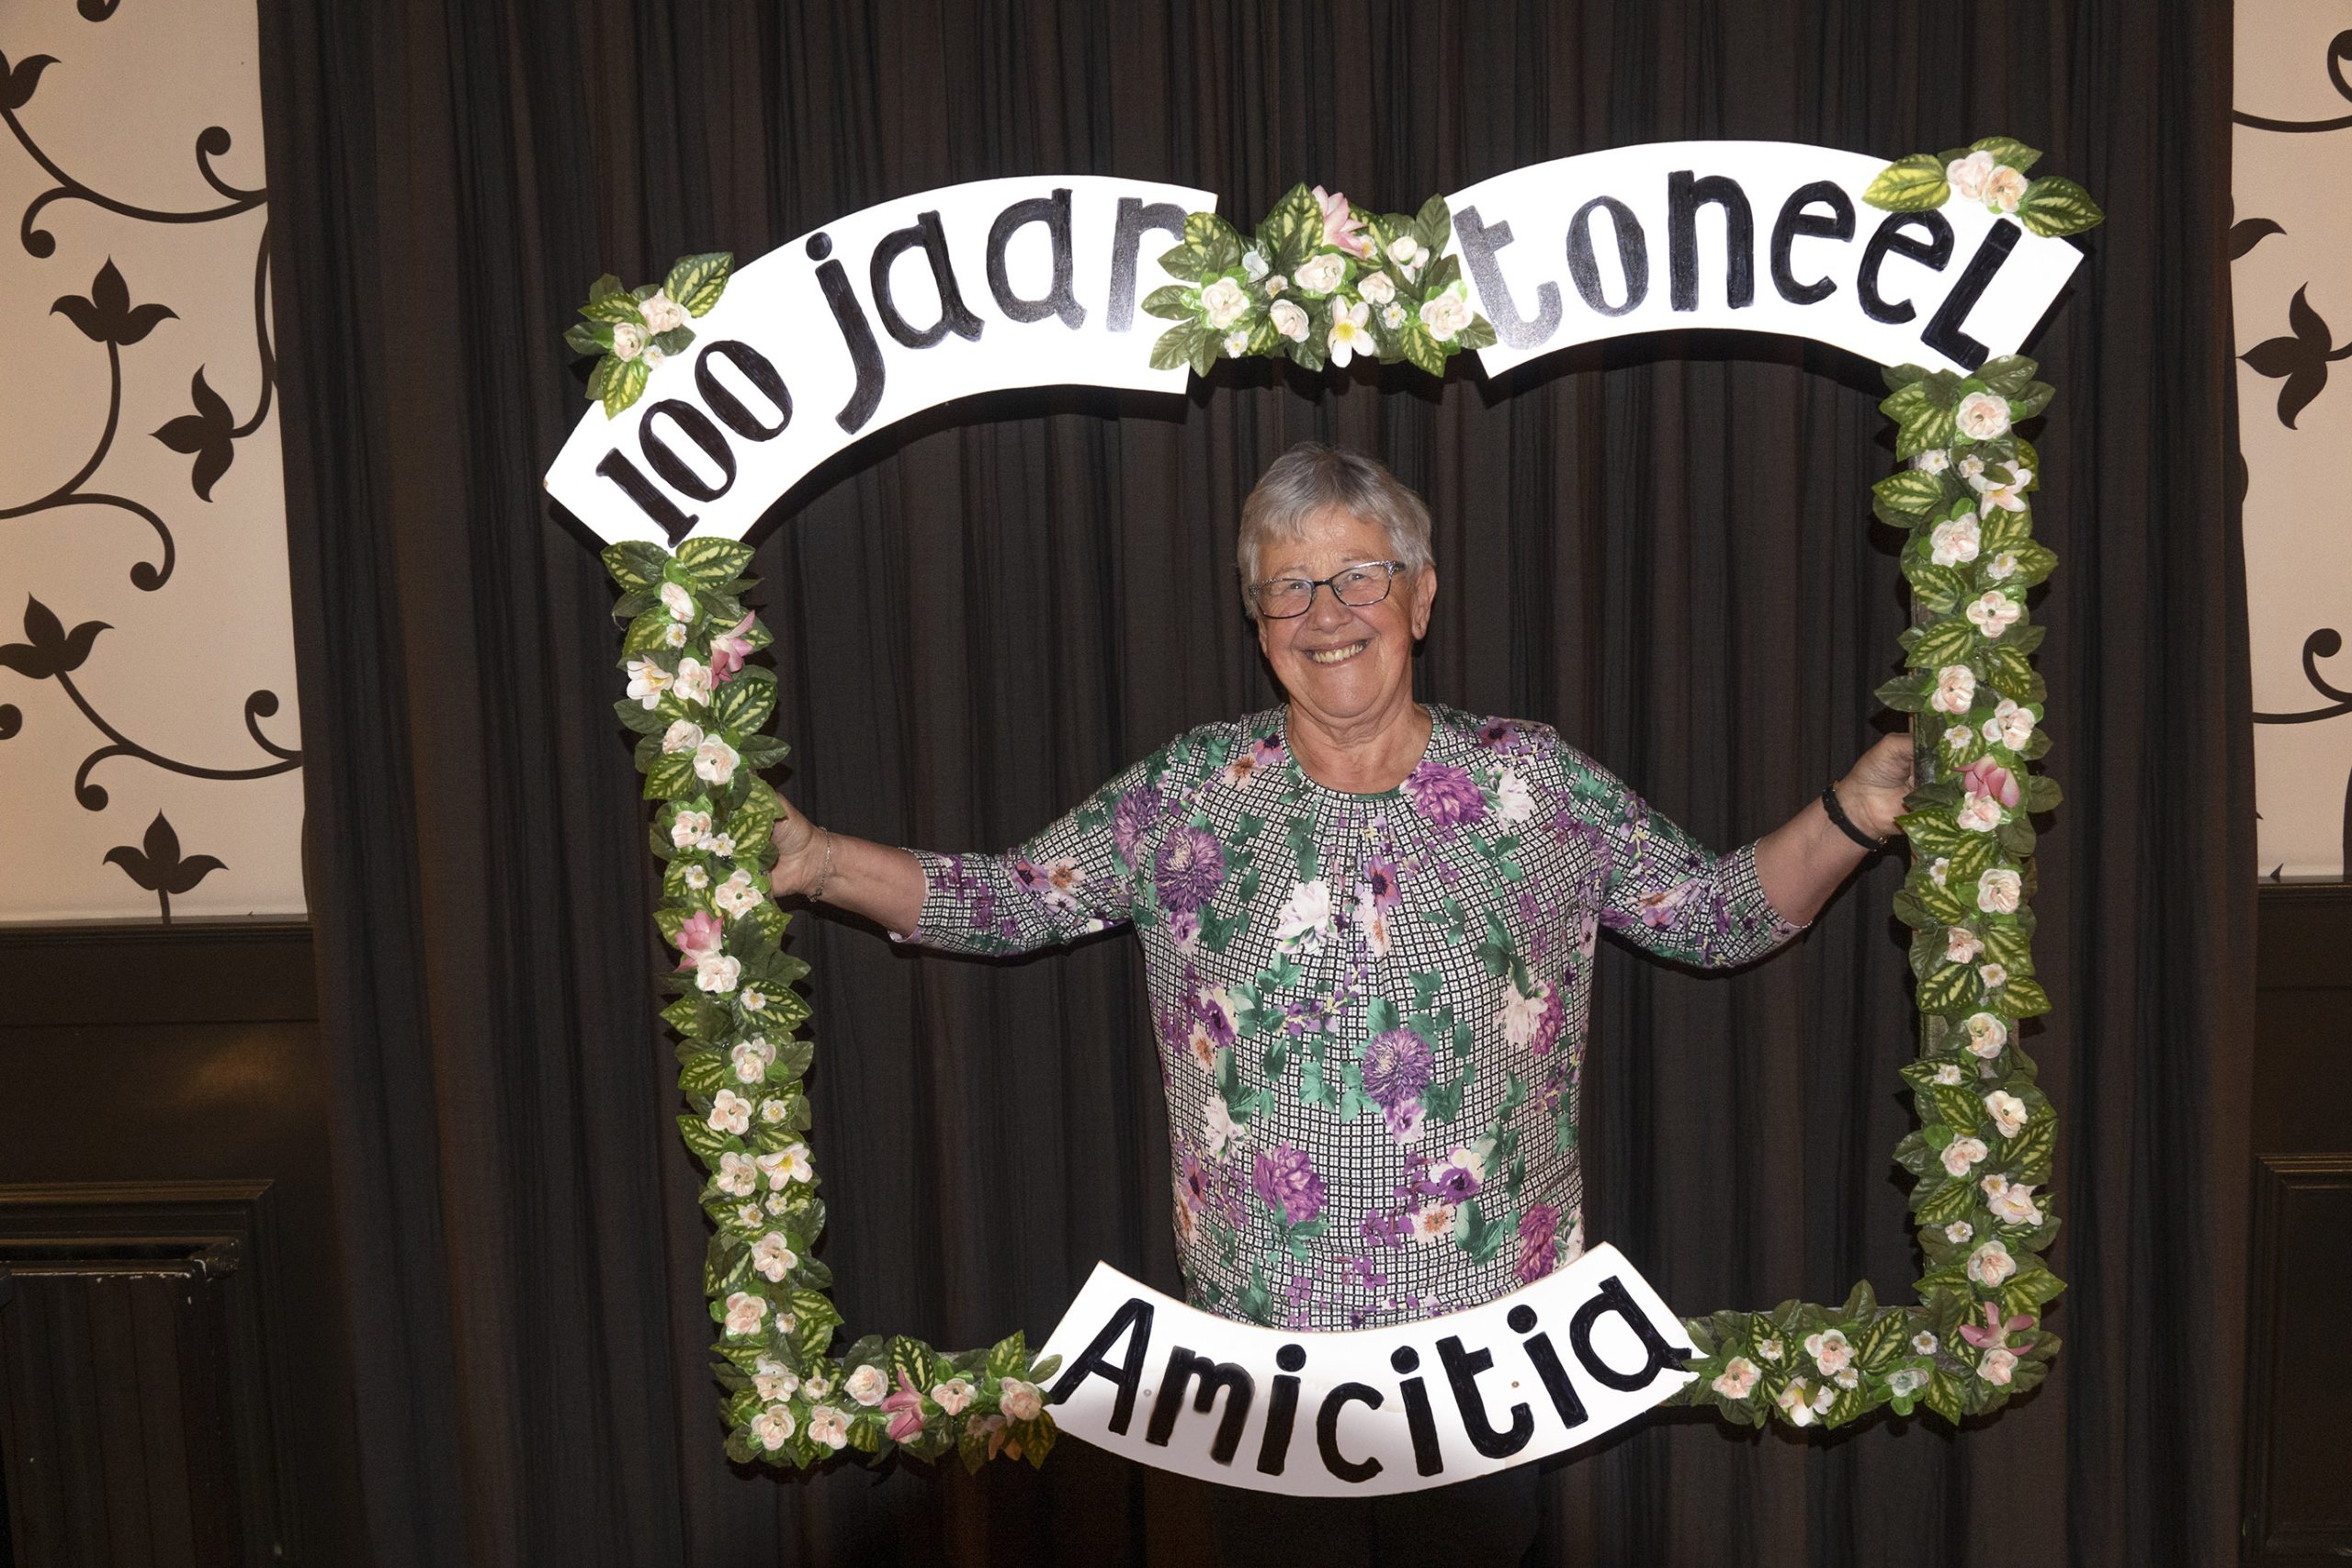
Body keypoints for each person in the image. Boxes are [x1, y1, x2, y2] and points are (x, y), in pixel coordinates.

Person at [766, 442, 1911, 1561]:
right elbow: (1013, 899)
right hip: (1260, 1380)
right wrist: (817, 861)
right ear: (1259, 625)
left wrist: (1855, 811)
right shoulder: (1189, 793)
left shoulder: (1532, 782)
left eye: (1360, 575)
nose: (1328, 613)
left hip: (1487, 1364)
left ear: (1419, 596)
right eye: (1289, 589)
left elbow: (1712, 915)